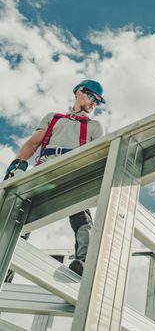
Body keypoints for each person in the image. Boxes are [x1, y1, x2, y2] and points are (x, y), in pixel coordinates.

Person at [4, 80, 106, 278]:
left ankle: (84, 262)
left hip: (72, 173)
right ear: (80, 93)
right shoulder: (53, 118)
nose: (95, 104)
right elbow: (33, 143)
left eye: (98, 102)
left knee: (81, 215)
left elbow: (97, 156)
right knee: (20, 218)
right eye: (93, 97)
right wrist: (17, 166)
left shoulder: (94, 126)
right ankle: (7, 266)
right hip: (44, 170)